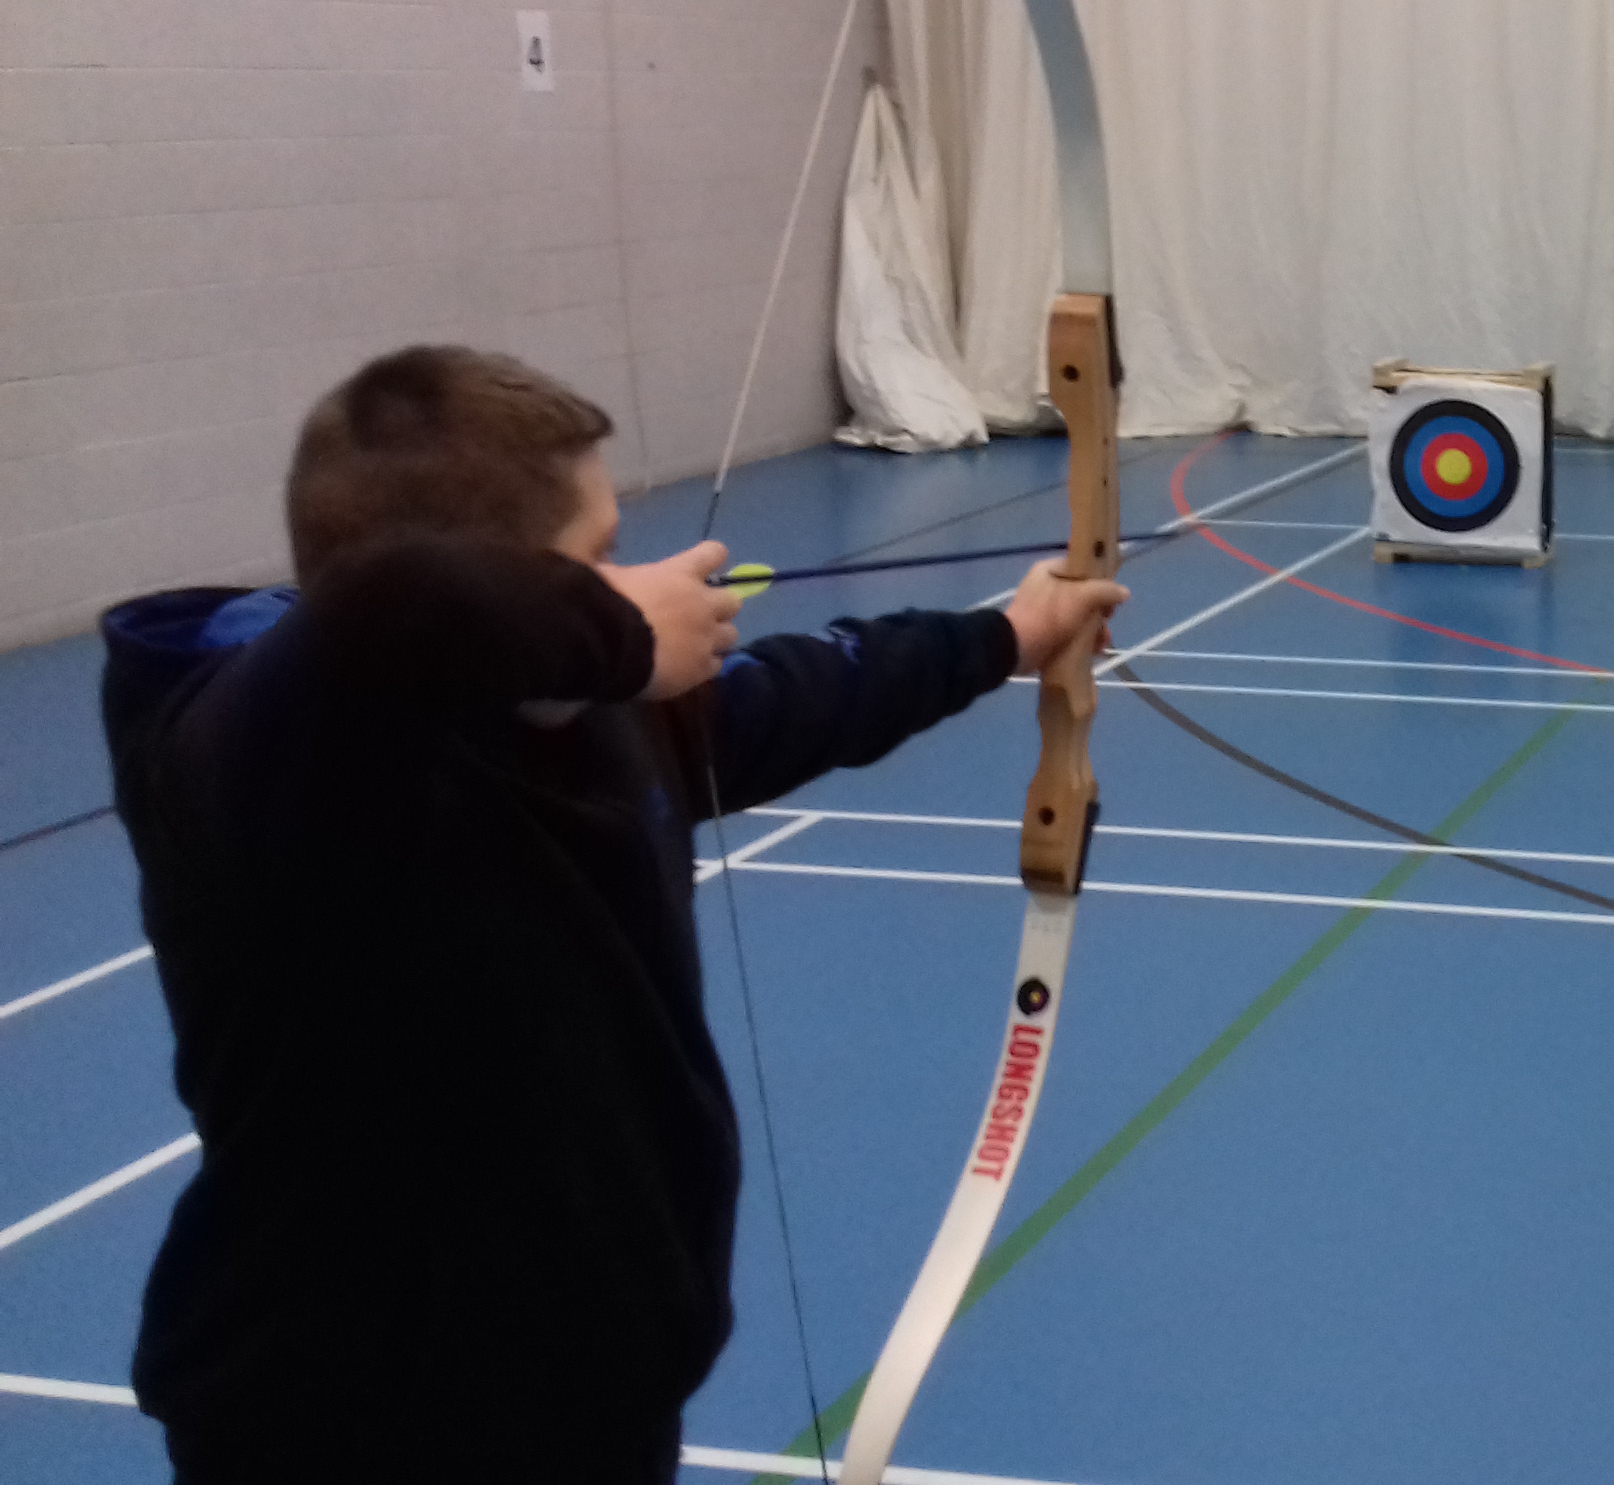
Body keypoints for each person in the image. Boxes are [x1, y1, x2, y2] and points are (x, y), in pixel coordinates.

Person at [98, 345, 1122, 1482]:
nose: (627, 581)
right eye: (596, 560)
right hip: (340, 1422)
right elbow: (389, 604)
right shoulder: (253, 753)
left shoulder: (580, 714)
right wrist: (623, 634)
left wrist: (1007, 636)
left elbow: (797, 695)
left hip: (588, 1389)